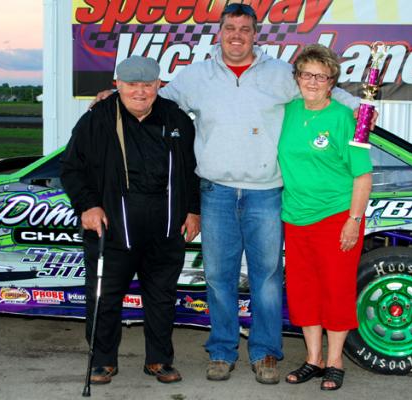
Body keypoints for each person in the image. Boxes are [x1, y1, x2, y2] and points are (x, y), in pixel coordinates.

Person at [91, 3, 371, 385]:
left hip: (266, 193)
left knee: (267, 278)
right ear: (219, 32)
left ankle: (265, 353)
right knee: (219, 277)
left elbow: (322, 92)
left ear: (256, 34)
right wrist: (112, 96)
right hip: (216, 191)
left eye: (244, 28)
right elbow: (154, 98)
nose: (237, 35)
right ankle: (222, 351)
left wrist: (362, 110)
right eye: (230, 28)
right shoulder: (196, 76)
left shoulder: (280, 74)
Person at [60, 56, 200, 385]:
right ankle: (102, 361)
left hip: (165, 225)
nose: (140, 91)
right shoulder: (97, 119)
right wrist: (88, 206)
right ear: (118, 85)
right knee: (104, 296)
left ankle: (159, 360)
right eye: (132, 85)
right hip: (112, 226)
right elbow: (72, 168)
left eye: (147, 85)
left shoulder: (177, 119)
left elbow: (193, 169)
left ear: (158, 86)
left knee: (161, 296)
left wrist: (194, 210)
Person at [278, 44, 373, 391]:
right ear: (297, 77)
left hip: (336, 218)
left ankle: (335, 361)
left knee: (336, 291)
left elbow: (362, 175)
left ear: (332, 82)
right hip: (295, 217)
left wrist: (354, 220)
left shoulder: (345, 118)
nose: (313, 82)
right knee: (304, 292)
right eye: (307, 74)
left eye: (321, 76)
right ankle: (313, 359)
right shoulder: (287, 112)